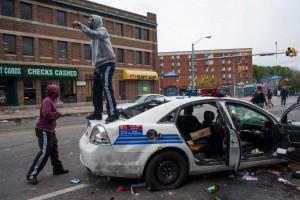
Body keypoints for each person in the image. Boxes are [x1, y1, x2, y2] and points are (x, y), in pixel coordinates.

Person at [72, 15, 119, 123]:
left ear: (97, 21)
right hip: (99, 66)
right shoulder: (93, 40)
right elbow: (94, 54)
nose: (88, 22)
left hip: (108, 63)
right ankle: (97, 113)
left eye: (91, 20)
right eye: (88, 21)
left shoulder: (102, 31)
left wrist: (80, 25)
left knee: (106, 86)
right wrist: (94, 67)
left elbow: (94, 34)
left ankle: (113, 113)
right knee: (96, 90)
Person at [27, 85, 69, 185]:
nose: (59, 92)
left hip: (50, 130)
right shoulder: (47, 100)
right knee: (44, 152)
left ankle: (57, 169)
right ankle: (32, 175)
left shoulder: (52, 100)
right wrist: (57, 114)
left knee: (54, 150)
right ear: (54, 92)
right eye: (57, 91)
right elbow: (46, 114)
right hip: (43, 130)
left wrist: (56, 114)